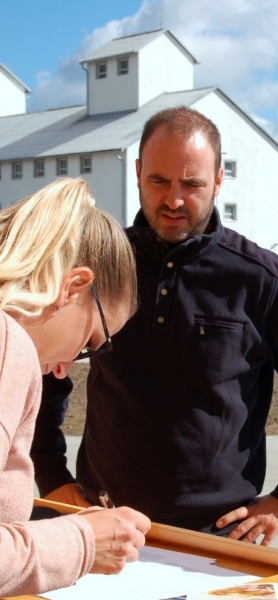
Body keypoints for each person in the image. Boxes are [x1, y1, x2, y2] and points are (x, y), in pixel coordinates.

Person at [32, 106, 278, 546]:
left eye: (192, 184)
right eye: (159, 181)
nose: (174, 200)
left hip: (217, 533)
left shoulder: (261, 278)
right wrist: (50, 474)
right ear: (138, 172)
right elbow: (43, 368)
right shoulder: (99, 263)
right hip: (101, 521)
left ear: (219, 180)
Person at [0, 178, 151, 597]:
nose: (64, 369)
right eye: (89, 343)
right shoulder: (8, 344)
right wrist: (83, 541)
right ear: (73, 286)